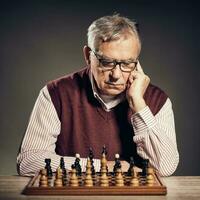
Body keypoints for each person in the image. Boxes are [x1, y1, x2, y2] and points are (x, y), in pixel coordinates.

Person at [17, 14, 179, 177]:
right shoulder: (55, 94)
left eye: (127, 63)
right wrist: (106, 166)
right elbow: (28, 161)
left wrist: (138, 104)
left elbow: (164, 168)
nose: (116, 74)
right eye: (107, 62)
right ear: (88, 55)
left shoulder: (158, 100)